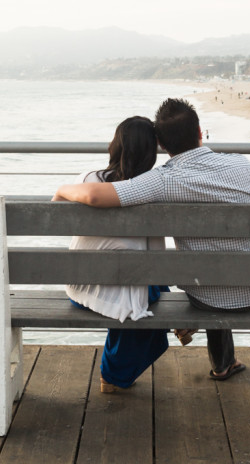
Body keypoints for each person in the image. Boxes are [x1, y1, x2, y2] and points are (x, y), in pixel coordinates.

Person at [55, 97, 250, 382]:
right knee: (247, 244)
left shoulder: (161, 181)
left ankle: (220, 357)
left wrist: (61, 188)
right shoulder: (242, 165)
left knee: (209, 265)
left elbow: (96, 195)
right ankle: (224, 364)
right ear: (199, 132)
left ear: (162, 145)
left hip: (203, 297)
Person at [61, 116, 170, 393]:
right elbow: (157, 260)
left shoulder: (87, 179)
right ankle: (113, 373)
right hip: (123, 292)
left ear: (115, 145)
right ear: (151, 153)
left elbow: (56, 210)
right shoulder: (151, 192)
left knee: (135, 282)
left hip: (80, 289)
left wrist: (62, 189)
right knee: (150, 290)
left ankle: (115, 374)